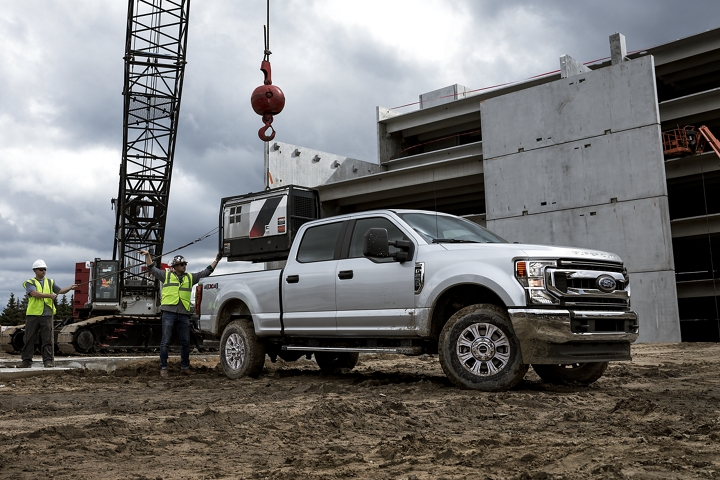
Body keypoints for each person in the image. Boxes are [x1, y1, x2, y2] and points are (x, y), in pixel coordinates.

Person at [140, 250, 222, 377]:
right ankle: (163, 367)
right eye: (182, 264)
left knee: (185, 342)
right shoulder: (166, 275)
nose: (184, 266)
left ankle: (185, 367)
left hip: (184, 314)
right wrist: (147, 255)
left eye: (185, 264)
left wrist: (216, 260)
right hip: (169, 312)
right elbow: (152, 269)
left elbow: (206, 272)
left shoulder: (190, 277)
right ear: (175, 266)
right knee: (165, 341)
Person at [19, 259, 77, 368]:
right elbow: (34, 294)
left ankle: (48, 361)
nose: (43, 271)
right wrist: (50, 295)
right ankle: (26, 361)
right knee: (29, 338)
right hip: (33, 315)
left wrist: (70, 288)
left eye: (45, 269)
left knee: (47, 339)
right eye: (41, 269)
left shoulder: (50, 282)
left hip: (47, 315)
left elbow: (60, 290)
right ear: (35, 270)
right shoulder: (30, 282)